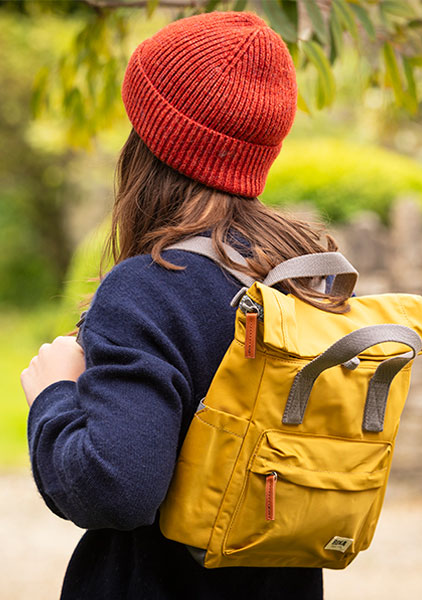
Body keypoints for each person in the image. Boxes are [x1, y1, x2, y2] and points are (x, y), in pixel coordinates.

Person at [21, 11, 350, 600]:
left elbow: (114, 489)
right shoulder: (301, 276)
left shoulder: (150, 289)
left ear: (149, 142)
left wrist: (53, 397)